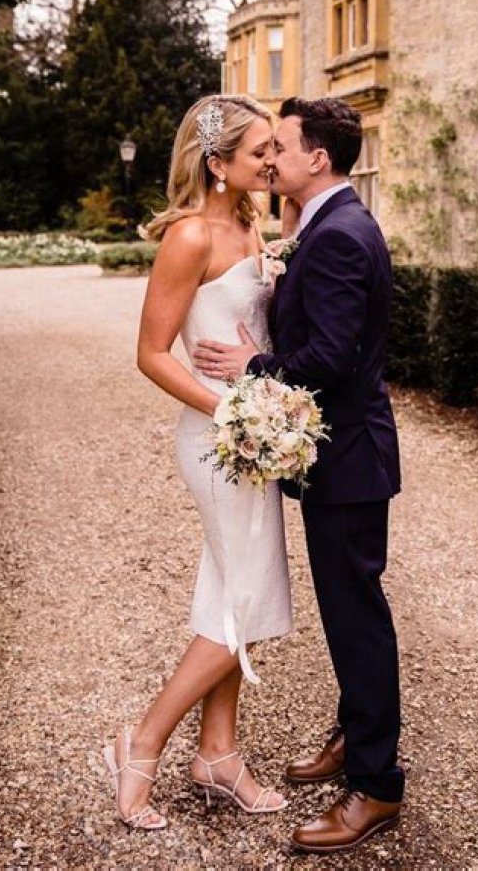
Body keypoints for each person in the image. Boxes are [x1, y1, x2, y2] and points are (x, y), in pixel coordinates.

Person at [194, 96, 404, 854]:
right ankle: (354, 734)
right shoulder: (324, 223)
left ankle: (377, 784)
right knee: (348, 611)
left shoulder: (340, 234)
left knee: (357, 617)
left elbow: (333, 359)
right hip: (340, 457)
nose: (271, 157)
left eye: (281, 145)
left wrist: (255, 363)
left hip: (349, 459)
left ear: (318, 157)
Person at [102, 94, 292, 830]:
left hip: (257, 435)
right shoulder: (188, 237)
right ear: (216, 162)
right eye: (258, 152)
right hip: (220, 439)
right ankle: (143, 742)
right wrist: (232, 413)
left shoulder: (249, 223)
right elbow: (151, 354)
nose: (271, 161)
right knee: (247, 597)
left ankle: (219, 754)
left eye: (273, 148)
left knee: (230, 590)